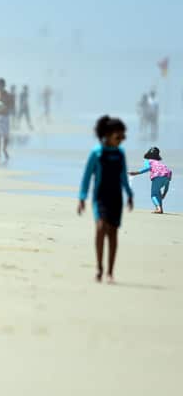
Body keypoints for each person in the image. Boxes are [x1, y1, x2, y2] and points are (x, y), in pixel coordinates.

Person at [78, 115, 134, 283]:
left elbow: (123, 176)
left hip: (116, 197)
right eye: (119, 136)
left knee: (113, 233)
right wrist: (82, 197)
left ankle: (110, 272)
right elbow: (87, 176)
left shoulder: (120, 153)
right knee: (101, 227)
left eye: (123, 137)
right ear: (108, 134)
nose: (121, 140)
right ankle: (99, 267)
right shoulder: (97, 153)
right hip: (100, 198)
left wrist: (129, 195)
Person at [129, 147, 173, 214]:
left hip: (158, 176)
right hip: (167, 176)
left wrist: (136, 172)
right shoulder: (160, 163)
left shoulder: (148, 160)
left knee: (154, 195)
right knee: (158, 193)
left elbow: (147, 168)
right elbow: (167, 182)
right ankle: (160, 208)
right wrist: (164, 193)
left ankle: (158, 208)